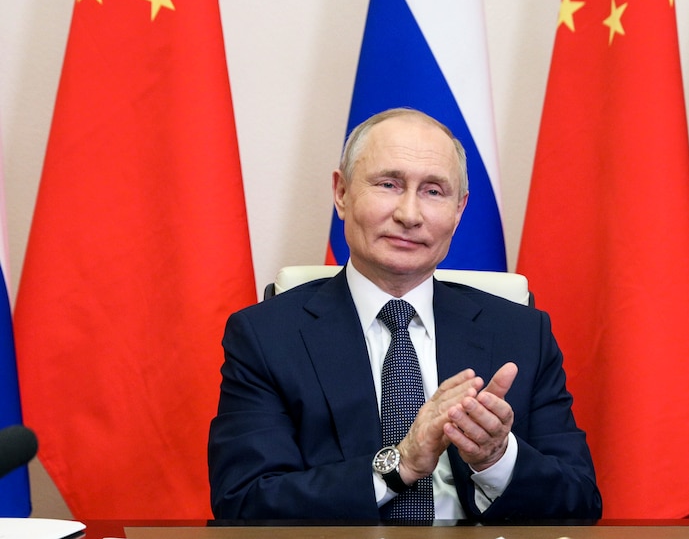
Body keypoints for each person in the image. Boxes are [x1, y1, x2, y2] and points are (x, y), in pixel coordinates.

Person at [208, 107, 602, 522]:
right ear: (341, 193)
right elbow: (245, 503)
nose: (409, 215)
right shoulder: (267, 336)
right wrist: (402, 464)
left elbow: (580, 502)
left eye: (434, 191)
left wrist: (497, 458)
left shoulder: (522, 334)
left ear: (459, 210)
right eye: (389, 184)